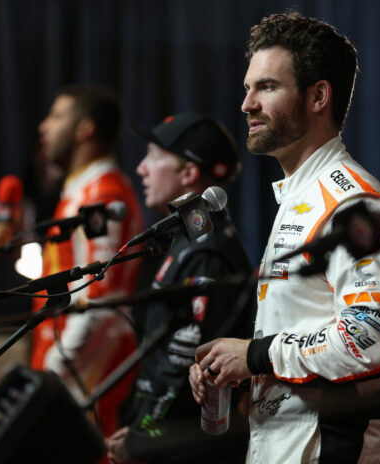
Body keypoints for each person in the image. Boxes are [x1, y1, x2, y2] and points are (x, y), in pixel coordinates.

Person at [188, 12, 380, 463]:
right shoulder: (301, 197)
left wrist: (254, 356)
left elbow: (369, 336)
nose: (246, 104)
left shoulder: (353, 204)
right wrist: (236, 371)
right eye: (248, 88)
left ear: (318, 96)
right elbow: (302, 342)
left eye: (266, 87)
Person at [104, 112, 254, 464]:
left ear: (188, 174)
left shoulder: (207, 253)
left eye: (154, 156)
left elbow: (187, 369)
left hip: (184, 450)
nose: (141, 168)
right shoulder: (192, 242)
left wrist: (144, 439)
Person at [30, 84, 144, 440]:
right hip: (67, 361)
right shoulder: (83, 190)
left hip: (84, 369)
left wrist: (54, 373)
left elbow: (100, 296)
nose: (44, 126)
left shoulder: (102, 195)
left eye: (57, 116)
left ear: (85, 129)